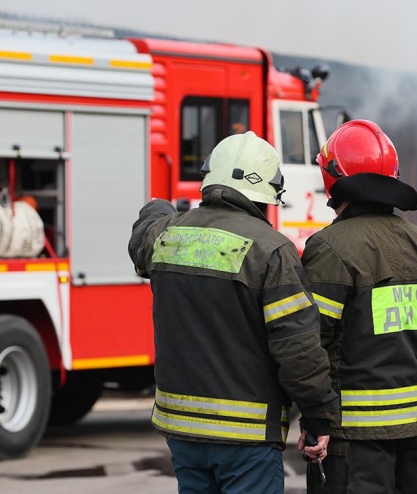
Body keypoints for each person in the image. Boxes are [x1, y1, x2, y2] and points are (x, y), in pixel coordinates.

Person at [128, 131, 338, 494]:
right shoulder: (272, 251)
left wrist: (157, 207)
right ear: (268, 193)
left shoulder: (168, 234)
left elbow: (142, 236)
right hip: (247, 437)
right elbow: (298, 351)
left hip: (183, 431)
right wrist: (319, 416)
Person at [299, 120, 417, 494]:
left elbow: (311, 343)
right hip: (409, 432)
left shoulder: (331, 248)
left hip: (352, 439)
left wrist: (316, 421)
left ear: (332, 174)